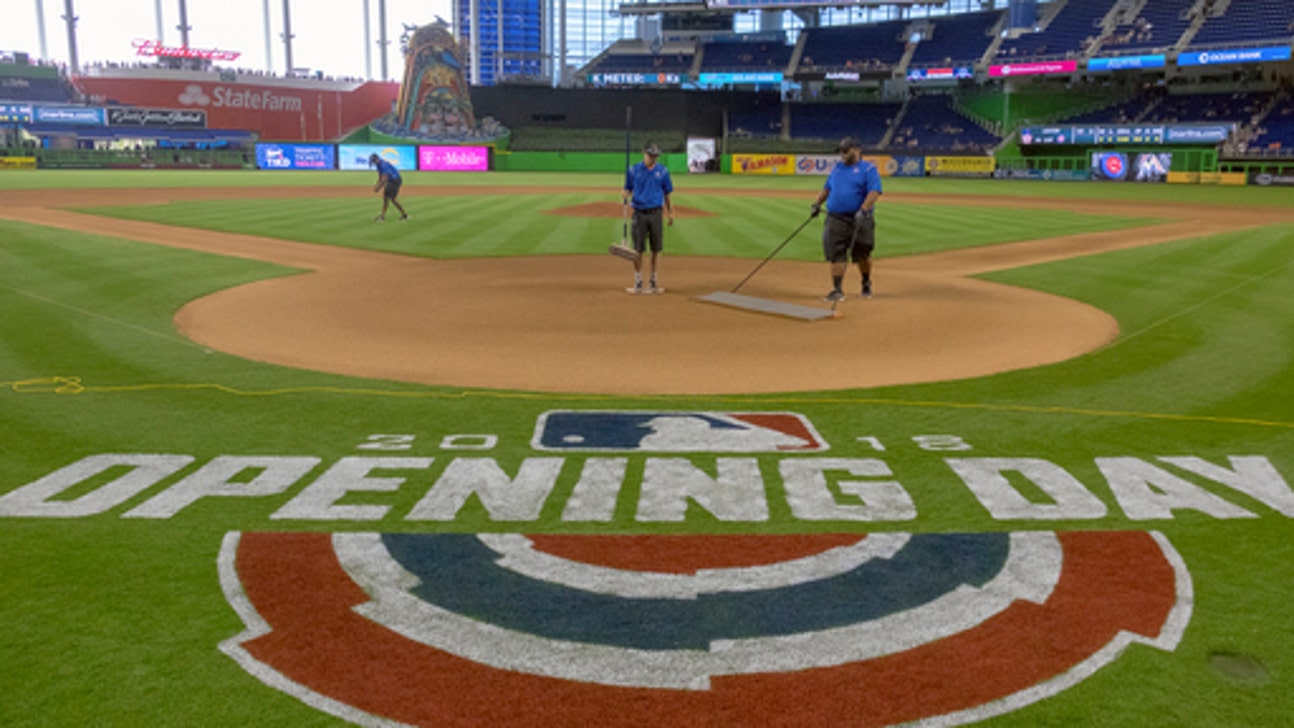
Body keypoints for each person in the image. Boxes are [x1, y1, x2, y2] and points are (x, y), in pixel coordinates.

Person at [810, 136, 882, 302]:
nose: (842, 154)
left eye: (846, 150)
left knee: (862, 254)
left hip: (860, 218)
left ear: (857, 150)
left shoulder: (868, 169)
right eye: (841, 151)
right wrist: (816, 204)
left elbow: (874, 191)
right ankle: (837, 289)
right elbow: (827, 188)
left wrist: (863, 211)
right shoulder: (837, 169)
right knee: (836, 253)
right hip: (836, 217)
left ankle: (865, 282)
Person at [623, 143, 675, 293]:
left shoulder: (663, 171)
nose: (653, 158)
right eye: (650, 155)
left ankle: (653, 281)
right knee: (638, 249)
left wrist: (670, 212)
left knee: (656, 249)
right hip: (639, 212)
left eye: (655, 156)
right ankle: (638, 281)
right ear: (644, 153)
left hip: (656, 212)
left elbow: (667, 193)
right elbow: (627, 188)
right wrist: (625, 193)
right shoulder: (633, 170)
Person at [370, 153, 409, 221]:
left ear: (376, 160)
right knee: (385, 198)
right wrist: (377, 184)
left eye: (373, 161)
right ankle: (382, 216)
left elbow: (385, 177)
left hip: (395, 180)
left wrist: (378, 187)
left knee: (392, 199)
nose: (372, 163)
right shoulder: (379, 165)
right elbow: (380, 176)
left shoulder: (383, 165)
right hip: (391, 180)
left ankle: (405, 215)